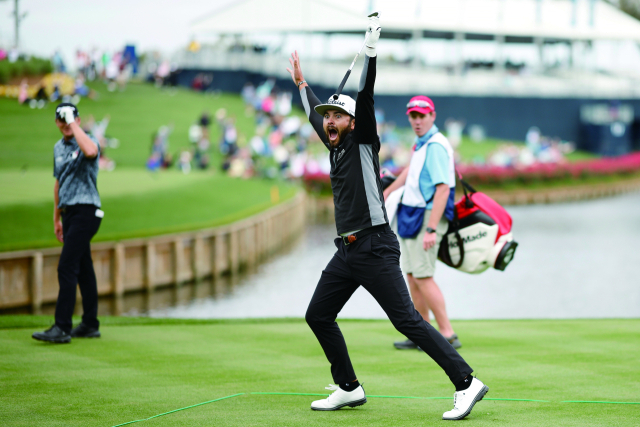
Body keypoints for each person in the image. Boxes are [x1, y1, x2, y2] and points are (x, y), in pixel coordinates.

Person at [286, 15, 488, 421]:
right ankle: (348, 387)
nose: (329, 121)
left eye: (337, 117)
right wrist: (303, 86)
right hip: (347, 252)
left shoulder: (362, 141)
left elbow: (366, 96)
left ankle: (466, 383)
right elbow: (313, 113)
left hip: (375, 246)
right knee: (318, 315)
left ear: (353, 123)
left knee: (407, 321)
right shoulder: (335, 145)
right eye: (328, 118)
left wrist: (372, 55)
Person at [383, 96, 462, 351]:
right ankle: (423, 333)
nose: (416, 121)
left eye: (421, 116)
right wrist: (387, 191)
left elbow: (442, 190)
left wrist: (431, 229)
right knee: (412, 275)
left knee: (424, 276)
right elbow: (409, 172)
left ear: (432, 116)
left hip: (428, 215)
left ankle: (447, 334)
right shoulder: (422, 143)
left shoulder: (437, 145)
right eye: (413, 116)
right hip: (412, 212)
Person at [32, 103, 103, 344]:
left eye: (69, 119)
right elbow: (57, 182)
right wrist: (56, 218)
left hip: (87, 210)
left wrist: (73, 122)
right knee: (83, 267)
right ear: (56, 123)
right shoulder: (57, 148)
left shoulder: (88, 139)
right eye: (61, 120)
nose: (65, 124)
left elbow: (91, 152)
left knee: (66, 267)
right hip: (69, 213)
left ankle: (62, 326)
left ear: (78, 120)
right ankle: (90, 324)